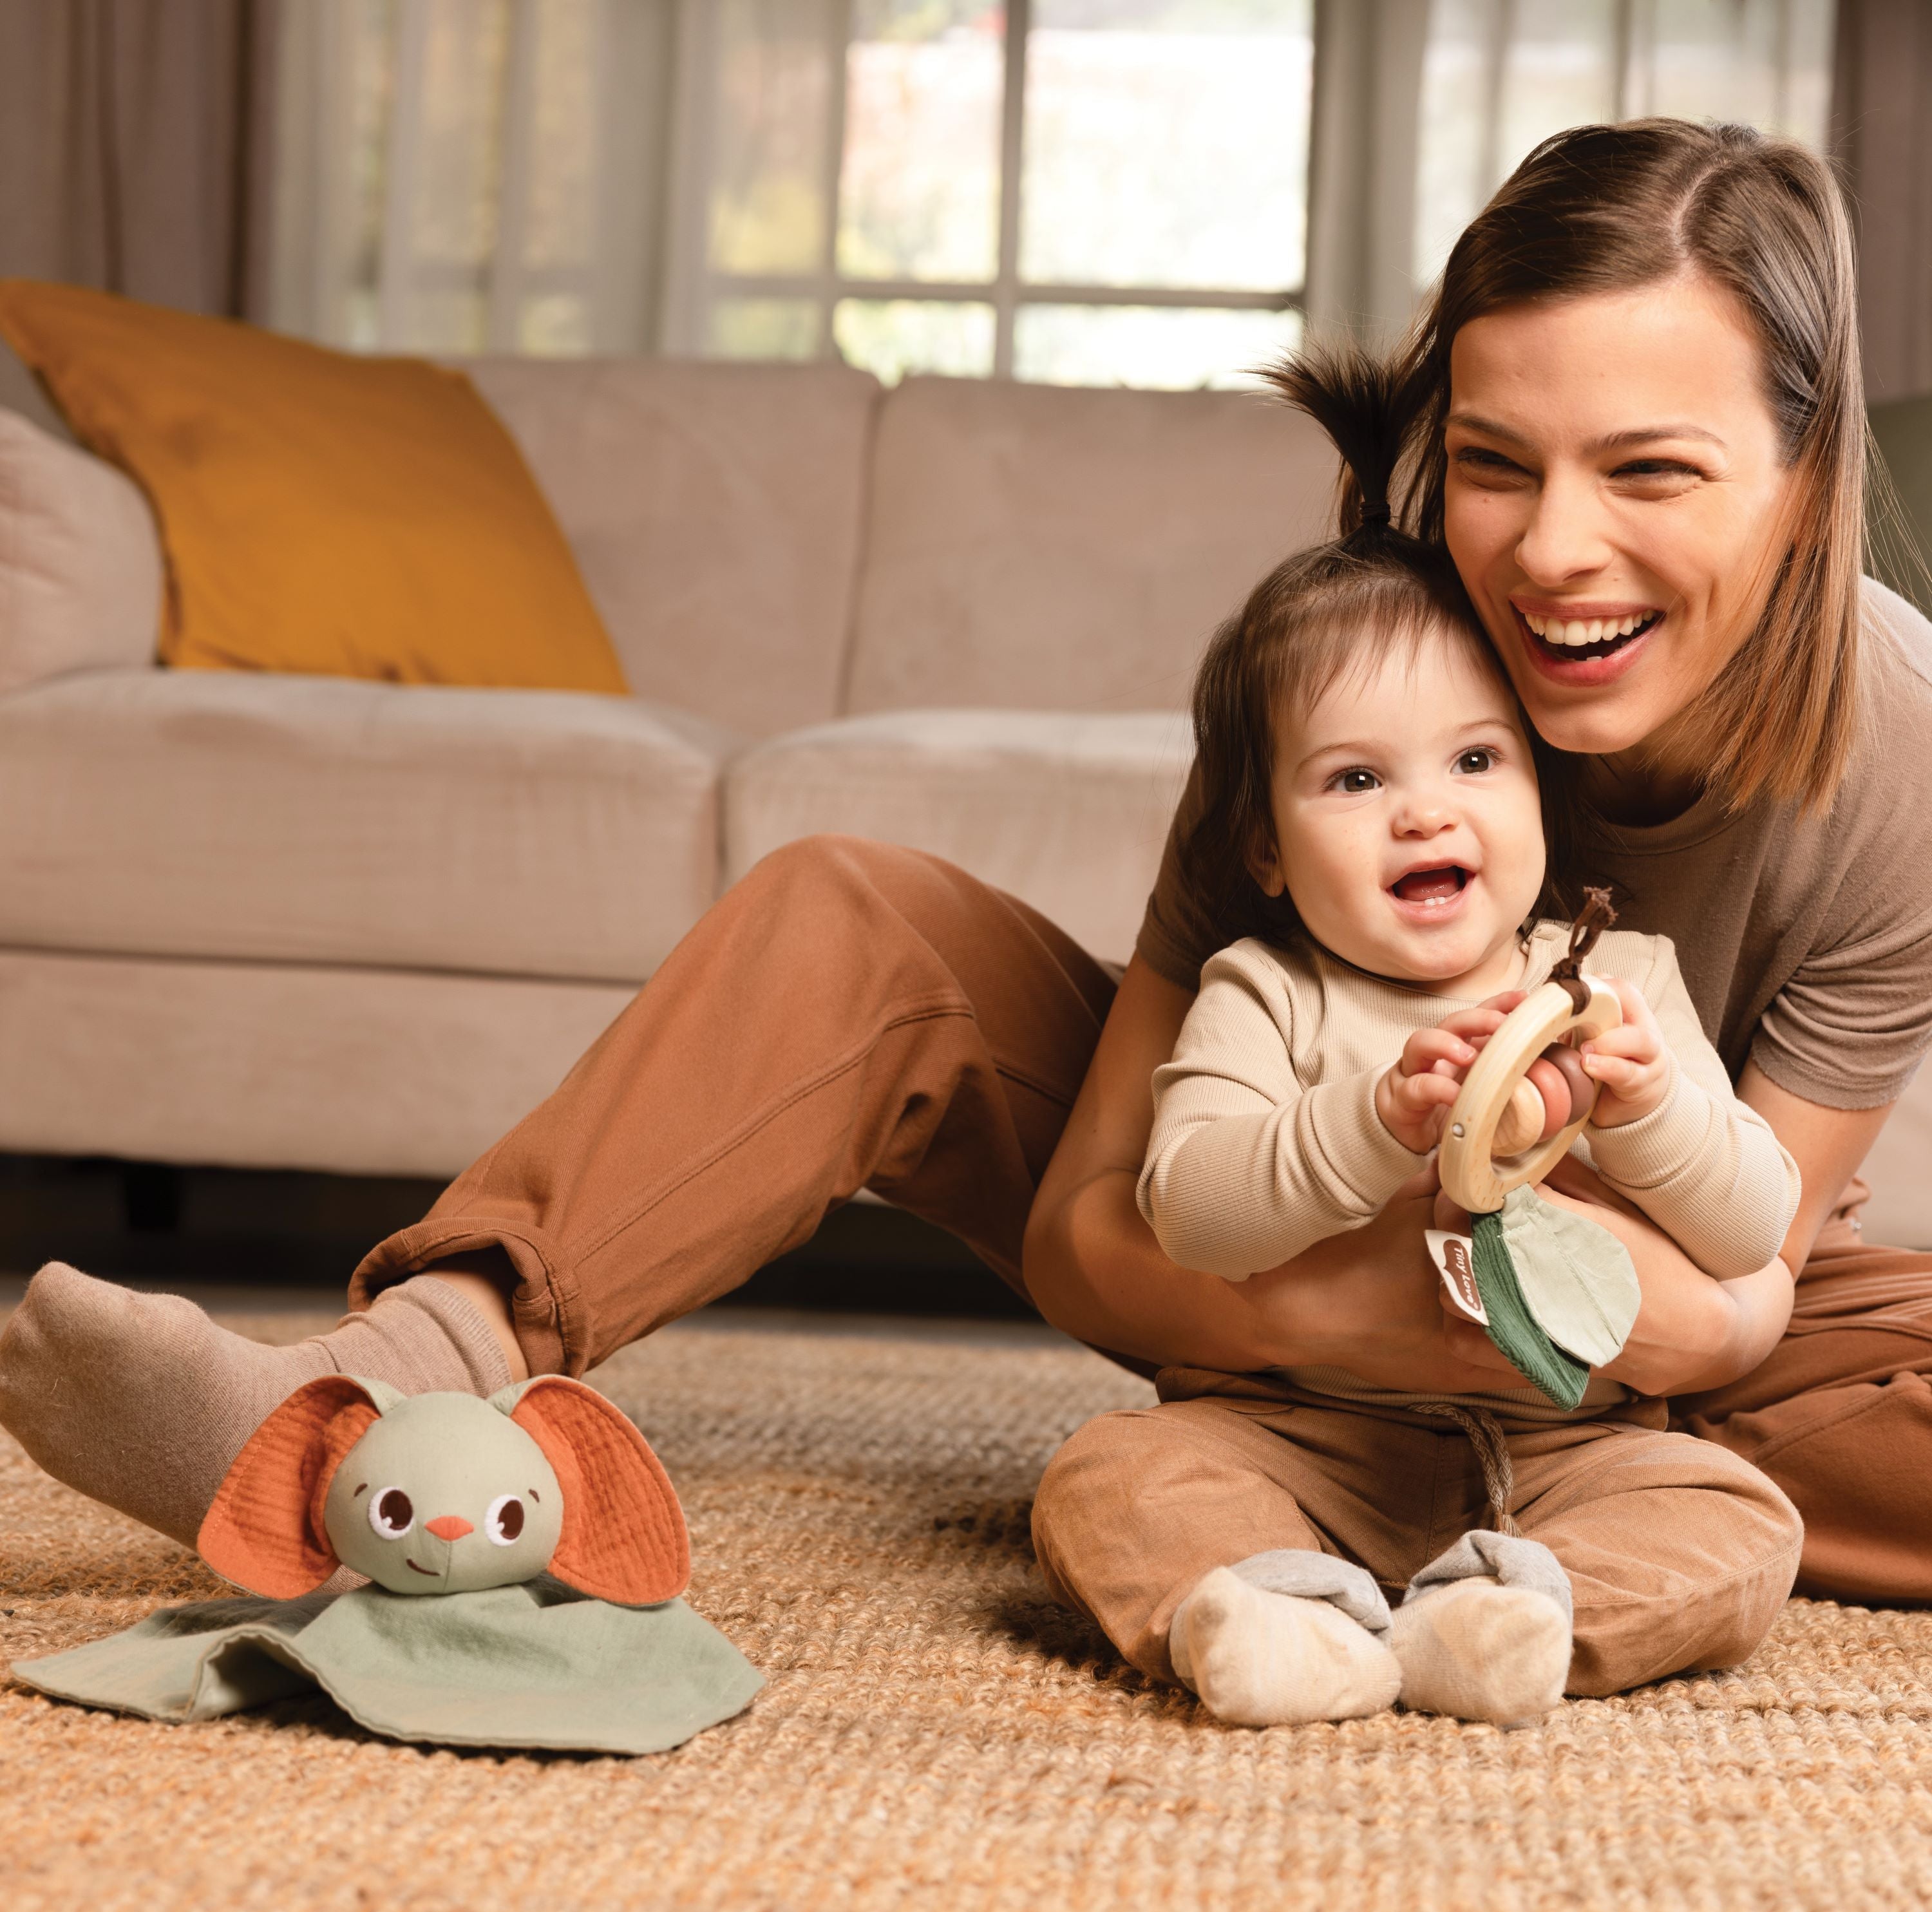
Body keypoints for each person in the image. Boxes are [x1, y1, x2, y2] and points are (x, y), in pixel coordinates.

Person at [3, 118, 1928, 1609]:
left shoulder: (1902, 747)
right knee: (858, 917)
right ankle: (364, 1406)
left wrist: (1658, 1322)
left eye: (1653, 472)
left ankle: (1509, 1517)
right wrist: (1336, 1307)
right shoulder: (1366, 672)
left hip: (1634, 1316)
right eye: (1497, 462)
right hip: (1263, 1204)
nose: (1549, 552)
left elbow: (1736, 1280)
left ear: (1809, 465)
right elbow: (1107, 1231)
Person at [1028, 347, 1803, 1731]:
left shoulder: (1615, 981)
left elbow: (1752, 1224)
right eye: (1356, 777)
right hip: (1291, 1426)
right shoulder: (1265, 993)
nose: (1425, 813)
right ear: (1263, 844)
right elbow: (1189, 1209)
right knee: (1109, 1482)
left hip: (1576, 1441)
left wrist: (1645, 1110)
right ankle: (1285, 1609)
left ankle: (1503, 1615)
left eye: (1476, 760)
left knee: (1739, 1527)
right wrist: (1371, 1123)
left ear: (1542, 794)